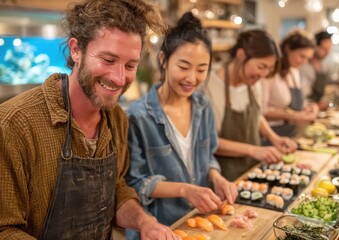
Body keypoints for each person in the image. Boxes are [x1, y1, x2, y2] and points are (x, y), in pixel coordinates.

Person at [0, 0, 180, 239]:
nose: (119, 78)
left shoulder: (117, 119)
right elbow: (4, 229)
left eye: (130, 65)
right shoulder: (15, 125)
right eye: (108, 60)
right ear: (76, 50)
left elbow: (117, 190)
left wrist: (145, 222)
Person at [125, 12, 238, 239]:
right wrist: (185, 189)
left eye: (201, 69)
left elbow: (208, 157)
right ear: (164, 60)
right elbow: (134, 183)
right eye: (184, 66)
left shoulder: (202, 105)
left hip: (198, 221)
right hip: (161, 227)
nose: (192, 78)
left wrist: (217, 177)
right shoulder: (138, 116)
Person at [204, 29, 297, 182]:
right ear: (241, 55)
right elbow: (208, 141)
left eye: (269, 68)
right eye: (261, 66)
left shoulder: (252, 82)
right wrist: (253, 150)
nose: (264, 74)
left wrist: (273, 138)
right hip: (222, 178)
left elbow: (257, 116)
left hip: (252, 171)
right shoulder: (209, 87)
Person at [261, 29, 318, 139]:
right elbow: (261, 112)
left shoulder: (294, 71)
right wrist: (293, 116)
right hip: (270, 134)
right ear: (287, 49)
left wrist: (310, 107)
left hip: (291, 133)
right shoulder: (270, 74)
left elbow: (296, 104)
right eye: (302, 56)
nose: (304, 62)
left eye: (308, 58)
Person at [300, 30, 333, 105]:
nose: (327, 52)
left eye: (329, 49)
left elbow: (329, 87)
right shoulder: (303, 66)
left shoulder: (326, 65)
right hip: (305, 106)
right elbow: (302, 95)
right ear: (315, 46)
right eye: (324, 49)